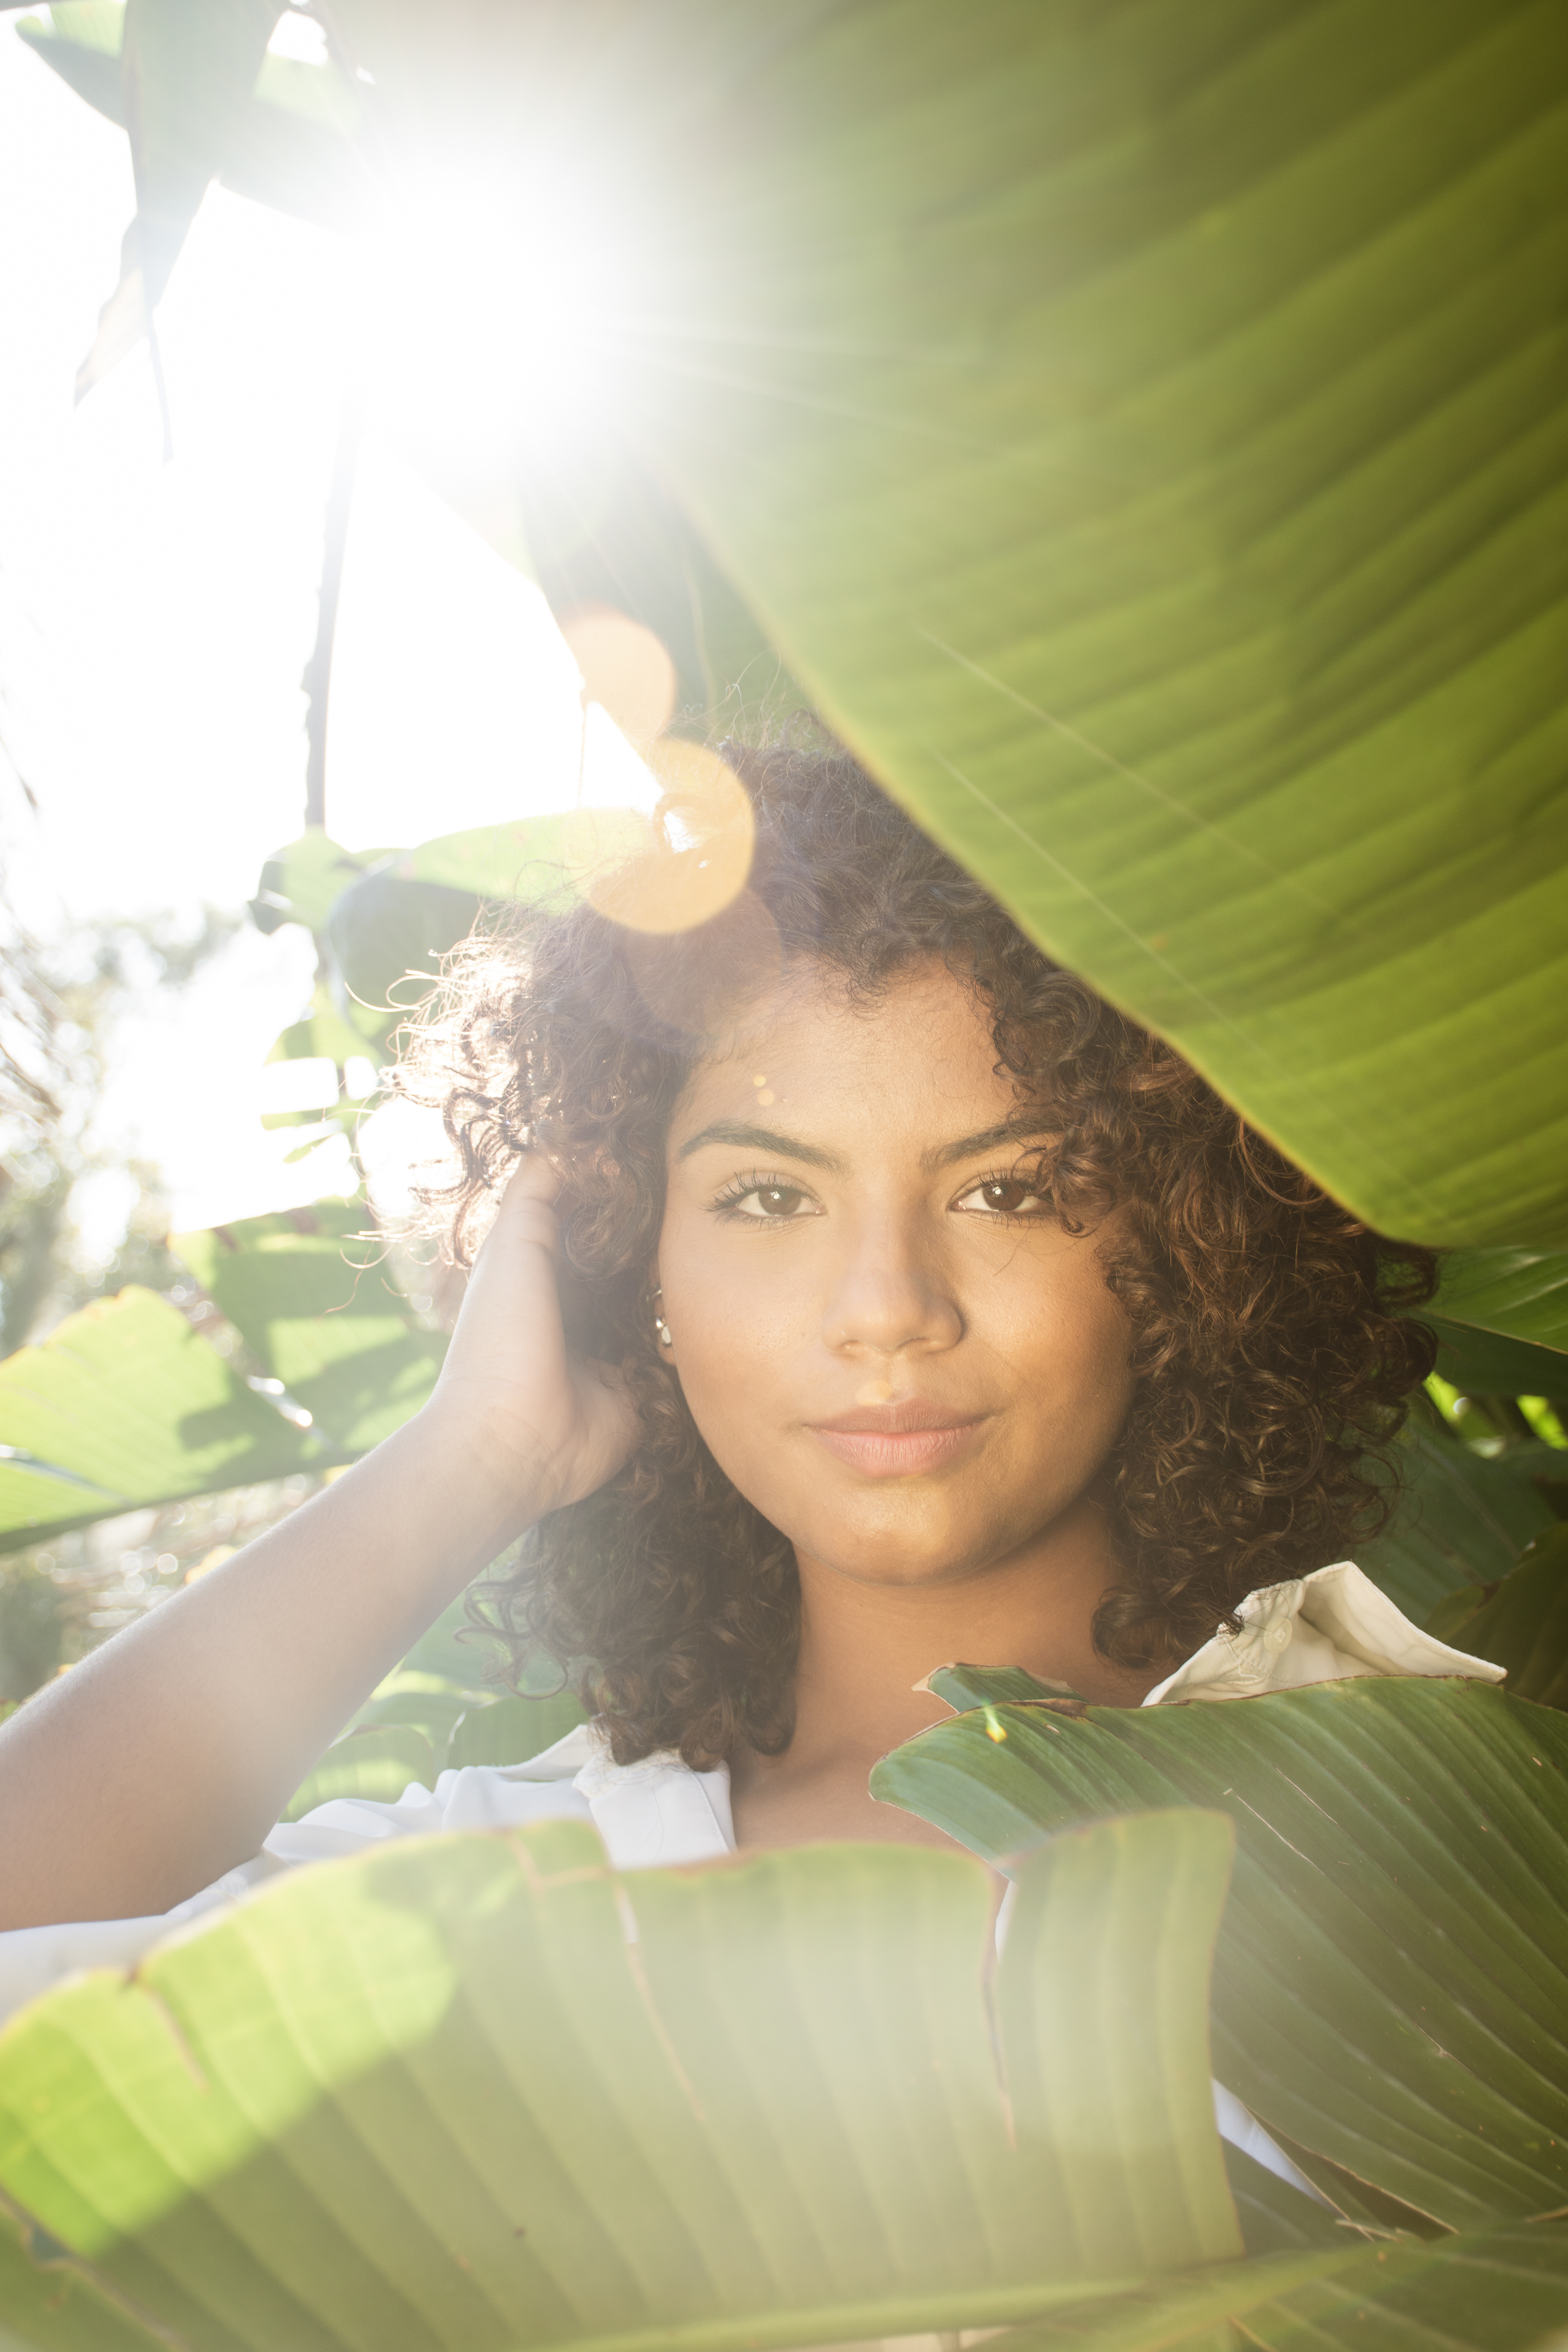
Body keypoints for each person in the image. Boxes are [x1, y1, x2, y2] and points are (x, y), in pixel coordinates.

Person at [0, 739, 1495, 1976]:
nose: (888, 1307)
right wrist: (479, 1458)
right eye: (768, 1197)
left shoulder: (1465, 1836)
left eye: (1008, 1190)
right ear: (636, 1257)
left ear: (1180, 1244)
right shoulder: (484, 1901)